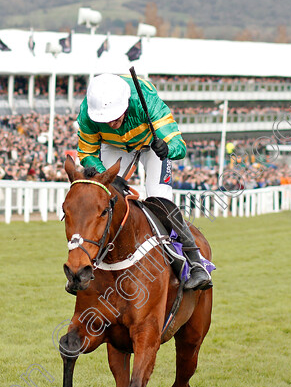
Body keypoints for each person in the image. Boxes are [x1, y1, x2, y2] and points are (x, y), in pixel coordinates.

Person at [76, 73, 212, 290]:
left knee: (160, 201)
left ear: (125, 104)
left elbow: (179, 145)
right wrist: (106, 176)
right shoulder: (88, 113)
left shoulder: (145, 99)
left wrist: (168, 148)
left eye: (115, 116)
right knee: (103, 197)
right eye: (105, 119)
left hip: (152, 146)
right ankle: (83, 267)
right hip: (114, 147)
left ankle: (195, 263)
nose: (111, 123)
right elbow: (87, 152)